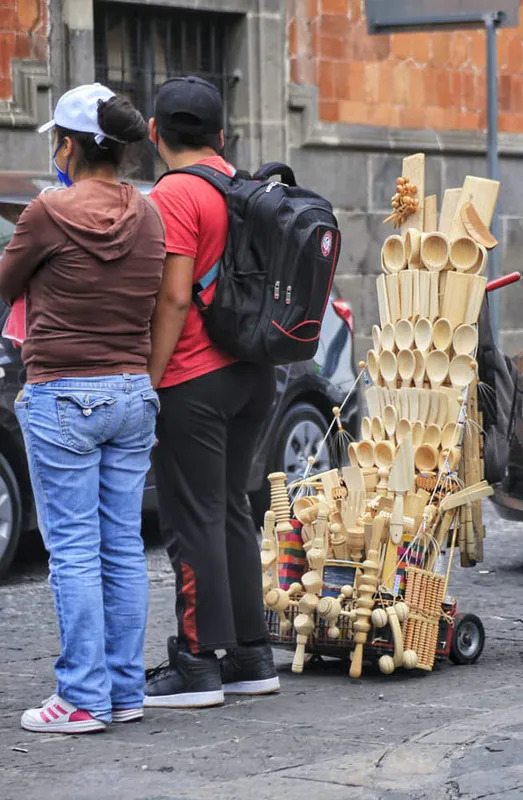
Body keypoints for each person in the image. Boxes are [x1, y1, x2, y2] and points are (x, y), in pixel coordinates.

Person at [0, 84, 164, 732]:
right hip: (131, 394)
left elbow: (5, 284)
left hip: (64, 394)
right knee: (122, 546)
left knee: (71, 549)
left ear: (69, 145)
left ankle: (82, 698)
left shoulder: (47, 211)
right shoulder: (149, 215)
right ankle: (124, 692)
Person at [142, 76, 279, 707]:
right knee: (231, 509)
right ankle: (252, 655)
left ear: (154, 133)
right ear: (222, 134)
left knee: (191, 516)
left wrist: (149, 377)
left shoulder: (174, 192)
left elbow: (173, 295)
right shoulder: (239, 183)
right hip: (253, 371)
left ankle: (196, 662)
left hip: (193, 375)